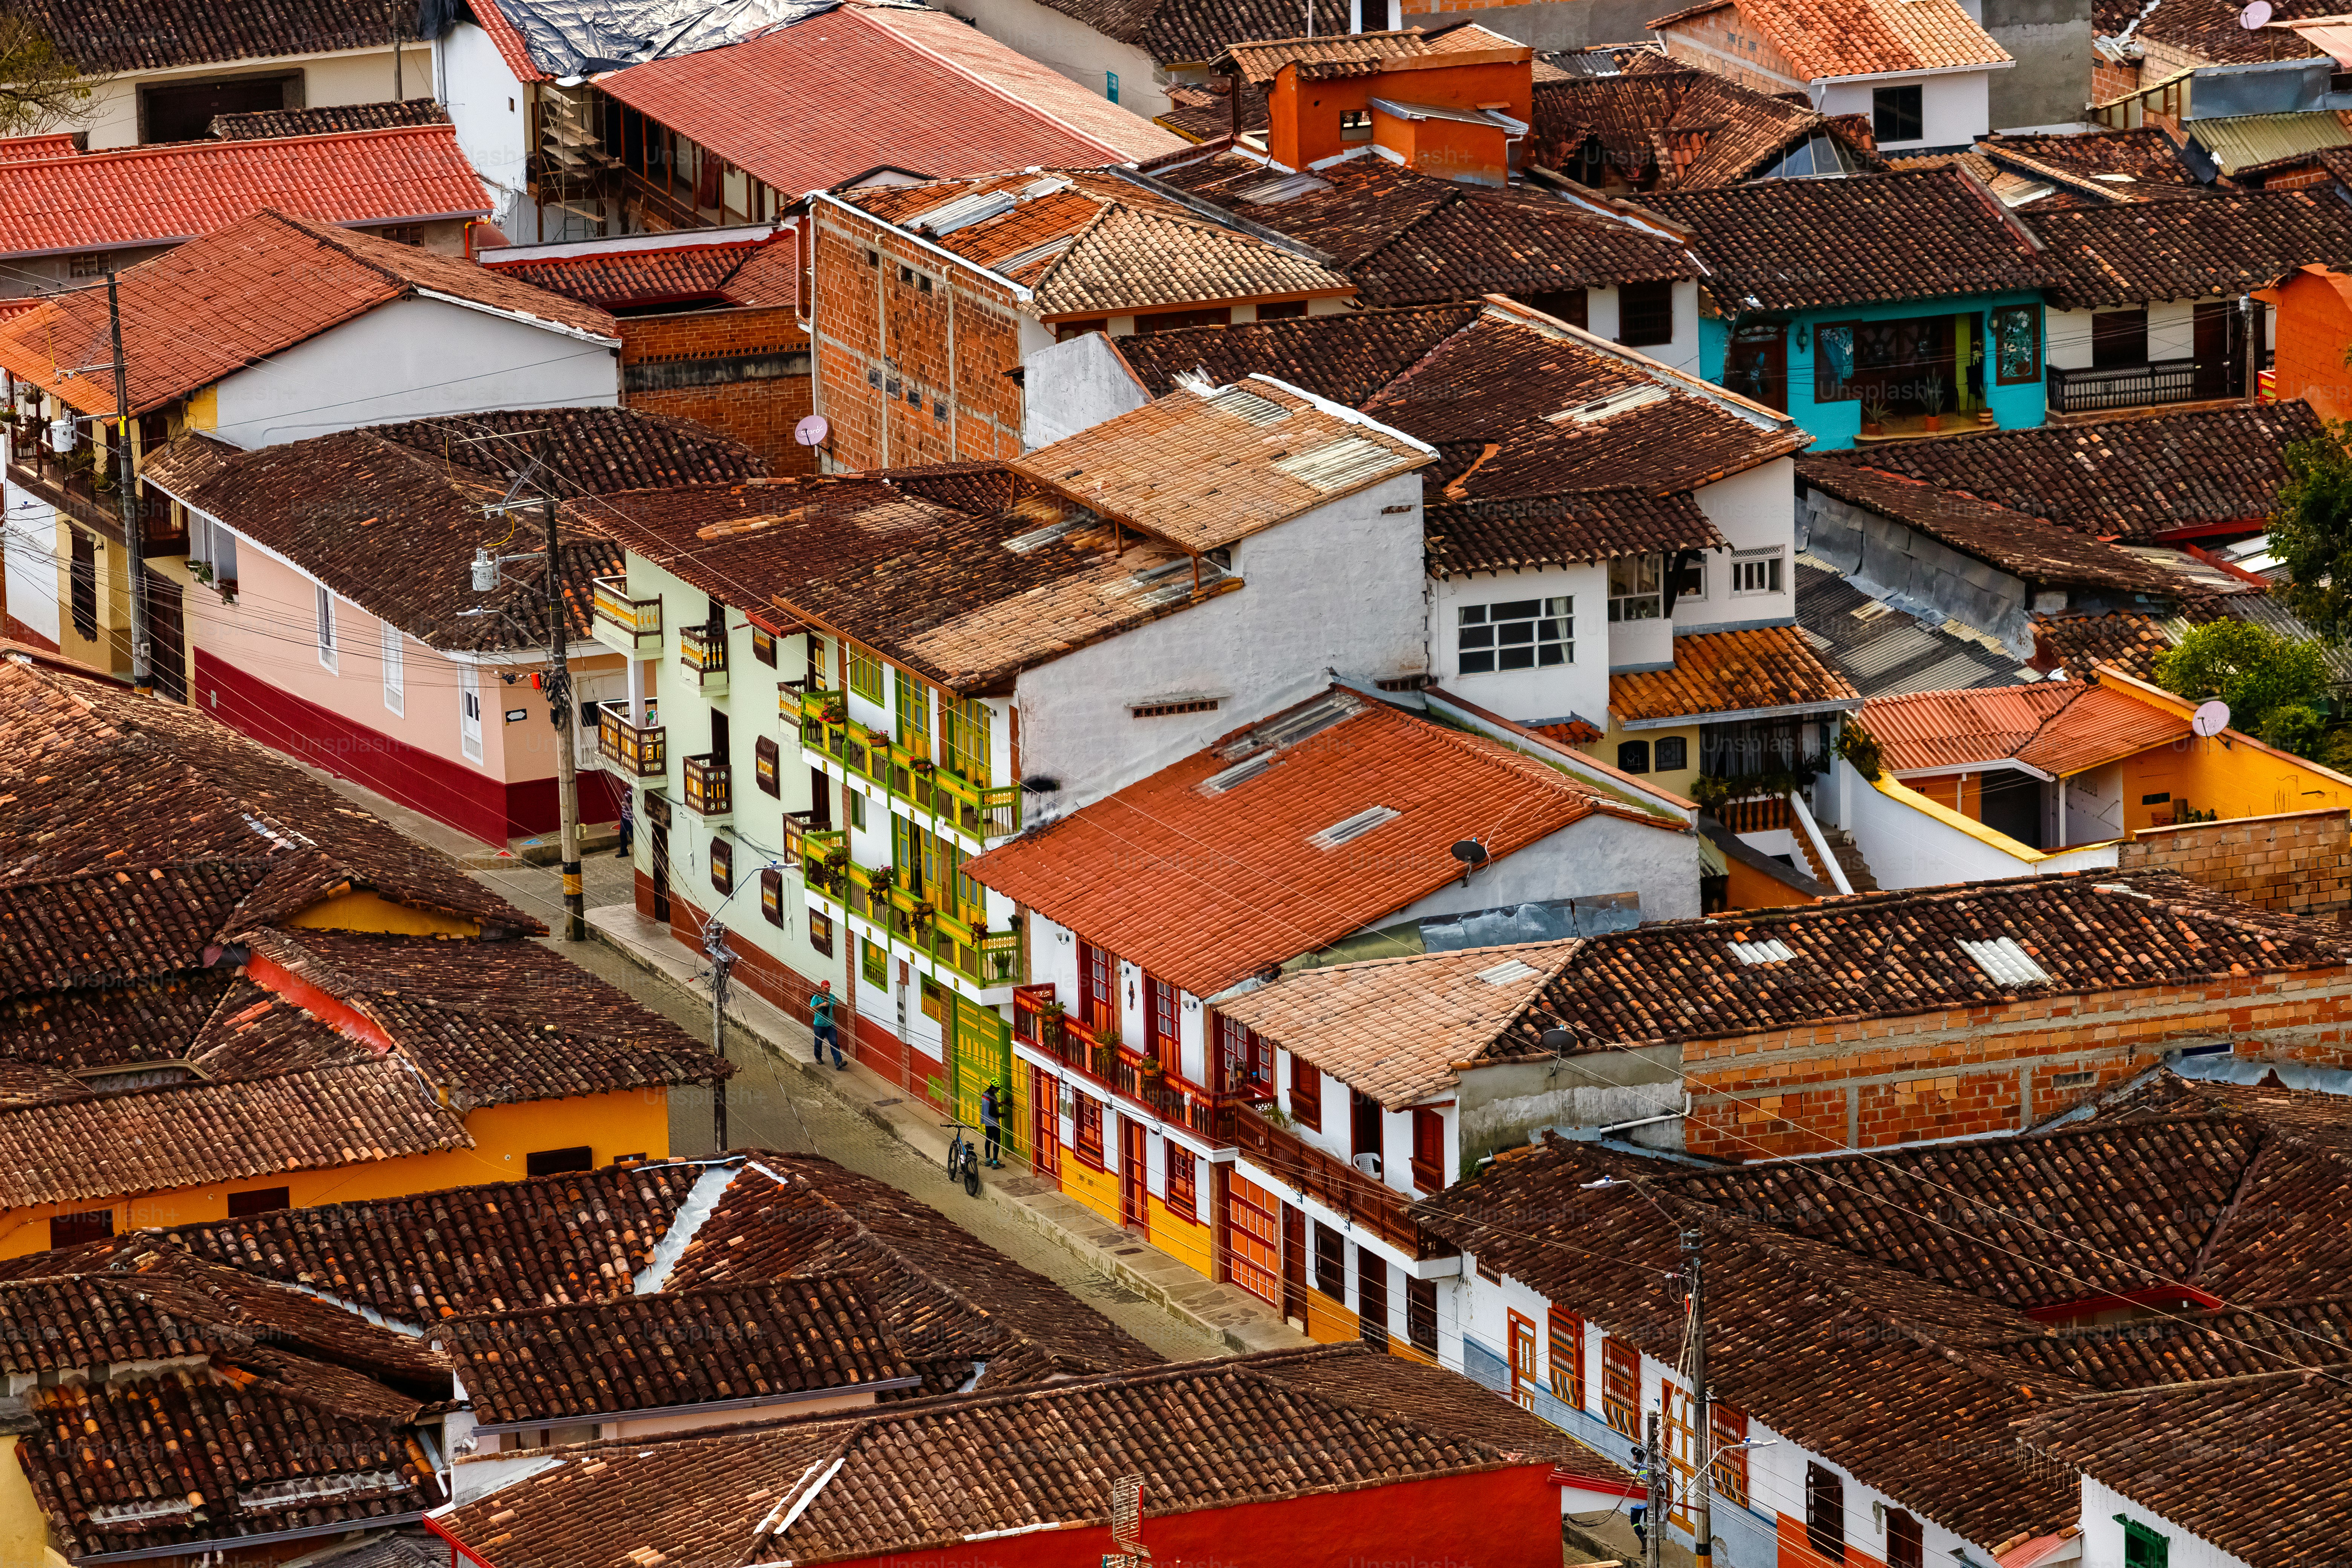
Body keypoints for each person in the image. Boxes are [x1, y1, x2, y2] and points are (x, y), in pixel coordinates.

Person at [808, 981, 843, 1069]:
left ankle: (838, 1062)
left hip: (830, 1024)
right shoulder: (817, 998)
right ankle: (818, 1057)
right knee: (818, 1042)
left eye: (829, 988)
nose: (827, 990)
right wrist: (822, 1005)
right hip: (819, 1025)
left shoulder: (832, 997)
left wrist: (837, 1020)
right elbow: (812, 1010)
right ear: (822, 988)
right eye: (826, 988)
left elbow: (834, 1008)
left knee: (834, 1043)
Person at [979, 1082, 1003, 1167]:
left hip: (986, 1122)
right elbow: (992, 1112)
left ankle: (988, 1160)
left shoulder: (985, 1094)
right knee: (997, 1141)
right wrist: (1001, 1115)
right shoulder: (993, 1097)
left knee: (988, 1140)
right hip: (994, 1123)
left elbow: (992, 1106)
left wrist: (1003, 1103)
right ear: (995, 1088)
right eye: (998, 1089)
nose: (998, 1090)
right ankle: (995, 1163)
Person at [614, 790, 634, 858]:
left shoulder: (633, 793)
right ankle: (624, 852)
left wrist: (627, 805)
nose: (623, 784)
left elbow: (635, 804)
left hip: (630, 820)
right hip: (624, 818)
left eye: (625, 783)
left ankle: (641, 851)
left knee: (632, 835)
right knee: (622, 834)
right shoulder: (627, 792)